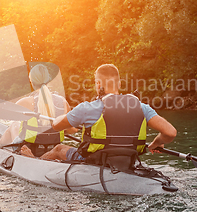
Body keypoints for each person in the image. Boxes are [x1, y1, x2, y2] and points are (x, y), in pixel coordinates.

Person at [39, 64, 177, 161]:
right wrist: (156, 142)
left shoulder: (88, 108)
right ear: (119, 84)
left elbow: (57, 126)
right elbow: (170, 133)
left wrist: (63, 116)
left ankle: (35, 162)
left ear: (98, 84)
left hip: (94, 161)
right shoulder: (142, 107)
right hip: (128, 160)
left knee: (58, 148)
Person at [0, 64, 77, 155]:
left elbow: (6, 116)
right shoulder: (63, 101)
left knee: (15, 125)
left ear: (31, 82)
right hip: (52, 149)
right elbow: (72, 130)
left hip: (29, 149)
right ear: (48, 80)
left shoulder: (26, 102)